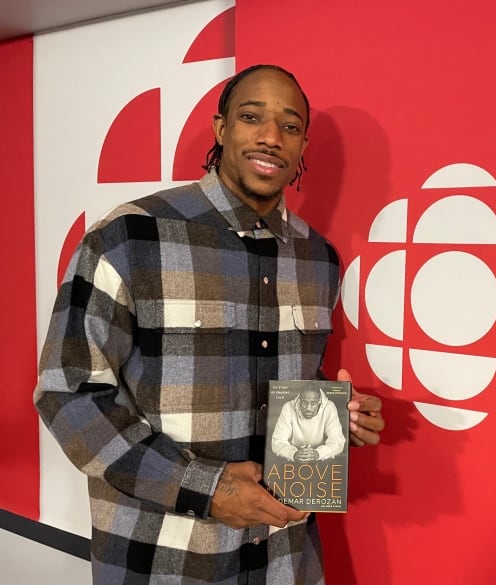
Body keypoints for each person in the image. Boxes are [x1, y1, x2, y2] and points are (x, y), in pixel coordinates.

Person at [34, 64, 384, 585]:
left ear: (302, 145)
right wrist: (205, 487)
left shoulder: (320, 258)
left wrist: (337, 423)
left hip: (285, 561)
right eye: (251, 117)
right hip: (165, 562)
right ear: (221, 129)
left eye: (289, 126)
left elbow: (285, 396)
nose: (270, 136)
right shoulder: (129, 237)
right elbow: (68, 393)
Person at [271, 388, 347, 462]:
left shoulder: (329, 407)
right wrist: (293, 454)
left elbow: (337, 440)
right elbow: (277, 440)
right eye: (304, 402)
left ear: (319, 401)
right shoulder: (288, 407)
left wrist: (318, 453)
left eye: (313, 403)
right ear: (299, 400)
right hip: (291, 462)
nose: (308, 408)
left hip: (323, 461)